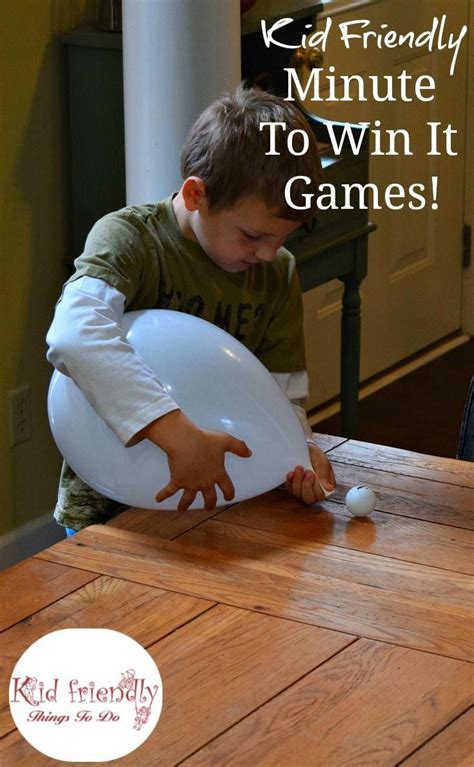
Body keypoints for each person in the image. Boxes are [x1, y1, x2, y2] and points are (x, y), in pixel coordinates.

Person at [46, 83, 336, 534]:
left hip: (225, 503)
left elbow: (281, 395)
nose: (266, 254)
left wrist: (299, 453)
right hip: (109, 509)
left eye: (283, 238)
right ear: (197, 194)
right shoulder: (129, 240)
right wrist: (176, 434)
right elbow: (74, 335)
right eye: (254, 236)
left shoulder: (277, 272)